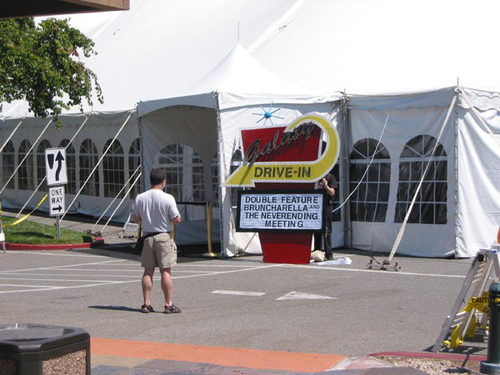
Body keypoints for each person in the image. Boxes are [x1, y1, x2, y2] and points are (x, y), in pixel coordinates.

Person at [133, 168, 182, 314]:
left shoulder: (140, 197)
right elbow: (176, 219)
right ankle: (168, 304)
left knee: (148, 271)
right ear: (163, 181)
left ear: (150, 180)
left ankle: (146, 303)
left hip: (148, 236)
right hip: (163, 236)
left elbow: (136, 218)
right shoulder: (168, 198)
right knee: (165, 271)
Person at [314, 172, 338, 261]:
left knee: (327, 230)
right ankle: (317, 252)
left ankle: (329, 253)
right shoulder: (315, 177)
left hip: (326, 205)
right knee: (317, 230)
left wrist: (325, 186)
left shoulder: (330, 177)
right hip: (316, 206)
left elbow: (332, 193)